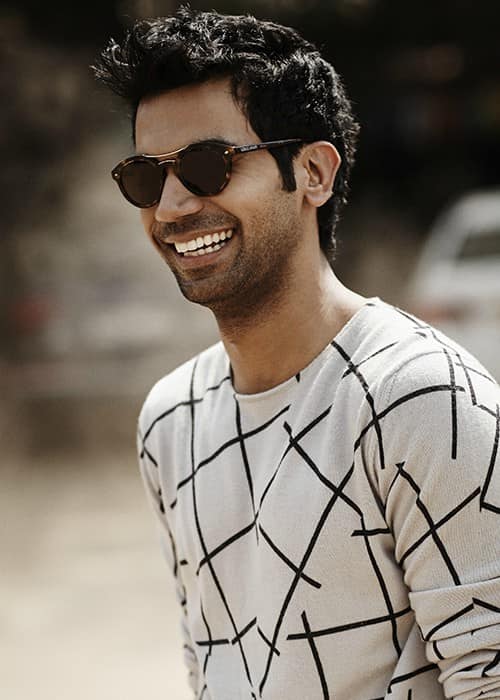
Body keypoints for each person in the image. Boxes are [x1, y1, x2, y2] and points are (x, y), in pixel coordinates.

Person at [93, 8, 500, 699]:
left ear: (312, 172)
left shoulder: (420, 396)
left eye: (205, 165)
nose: (171, 206)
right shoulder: (170, 418)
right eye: (145, 176)